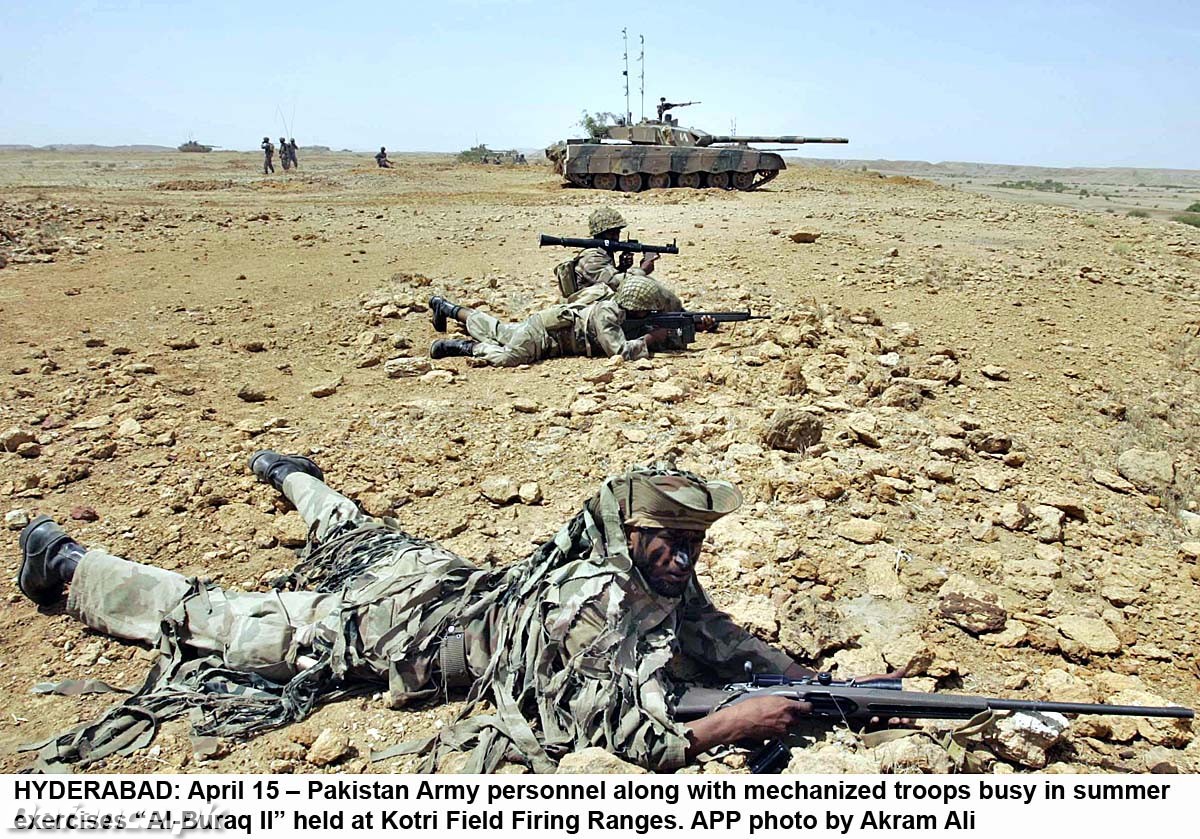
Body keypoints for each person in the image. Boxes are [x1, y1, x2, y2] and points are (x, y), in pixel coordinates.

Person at [17, 455, 827, 772]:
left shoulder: (650, 571)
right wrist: (725, 725)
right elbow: (610, 728)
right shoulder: (592, 602)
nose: (683, 558)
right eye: (668, 540)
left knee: (361, 531)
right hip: (392, 631)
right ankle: (68, 566)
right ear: (627, 531)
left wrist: (786, 669)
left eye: (693, 541)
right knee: (228, 618)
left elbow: (706, 628)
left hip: (445, 580)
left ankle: (290, 473)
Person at [426, 273, 713, 366]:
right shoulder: (607, 315)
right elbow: (621, 352)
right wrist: (651, 339)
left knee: (497, 329)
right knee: (507, 357)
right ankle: (464, 347)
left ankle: (447, 308)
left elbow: (653, 332)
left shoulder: (625, 310)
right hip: (542, 337)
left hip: (548, 327)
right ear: (636, 306)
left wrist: (692, 325)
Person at [559, 206, 660, 298]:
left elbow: (605, 282)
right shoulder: (592, 258)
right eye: (611, 233)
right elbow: (614, 283)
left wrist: (621, 268)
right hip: (591, 308)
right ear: (600, 233)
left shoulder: (603, 252)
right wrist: (643, 270)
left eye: (617, 232)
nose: (616, 237)